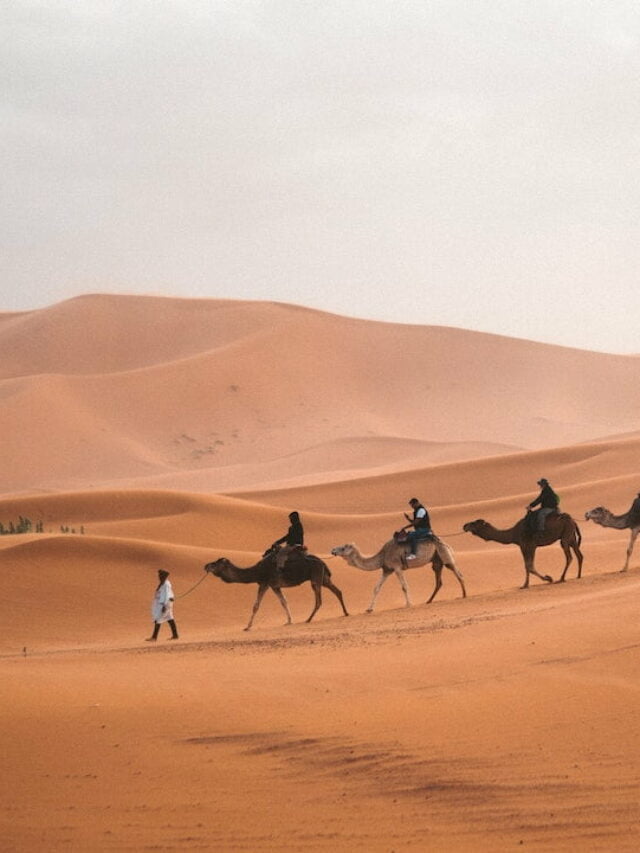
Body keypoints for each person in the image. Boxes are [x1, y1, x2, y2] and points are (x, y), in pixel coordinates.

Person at [146, 569, 179, 641]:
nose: (159, 577)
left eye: (161, 576)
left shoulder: (166, 585)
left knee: (158, 619)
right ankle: (175, 635)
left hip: (165, 604)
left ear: (164, 576)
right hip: (165, 603)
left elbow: (166, 595)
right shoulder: (163, 583)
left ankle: (154, 637)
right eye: (159, 575)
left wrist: (164, 605)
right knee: (170, 618)